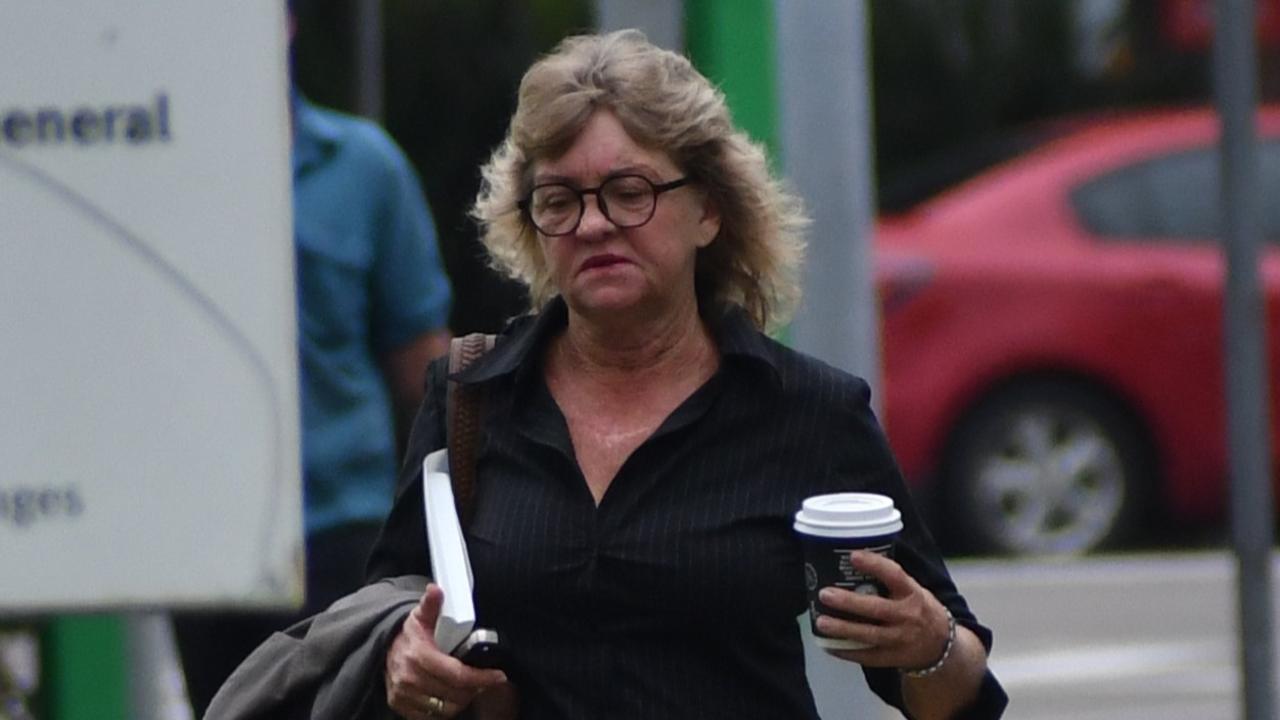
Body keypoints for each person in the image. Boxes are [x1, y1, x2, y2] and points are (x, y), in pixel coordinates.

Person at [367, 29, 1006, 720]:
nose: (593, 224)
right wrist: (400, 654)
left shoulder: (806, 411)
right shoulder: (472, 396)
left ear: (707, 209)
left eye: (629, 191)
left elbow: (958, 700)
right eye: (559, 199)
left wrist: (930, 644)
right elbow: (386, 612)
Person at [172, 4, 453, 715]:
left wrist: (447, 526)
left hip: (343, 527)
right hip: (208, 535)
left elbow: (421, 366)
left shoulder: (366, 168)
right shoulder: (166, 173)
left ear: (286, 26)